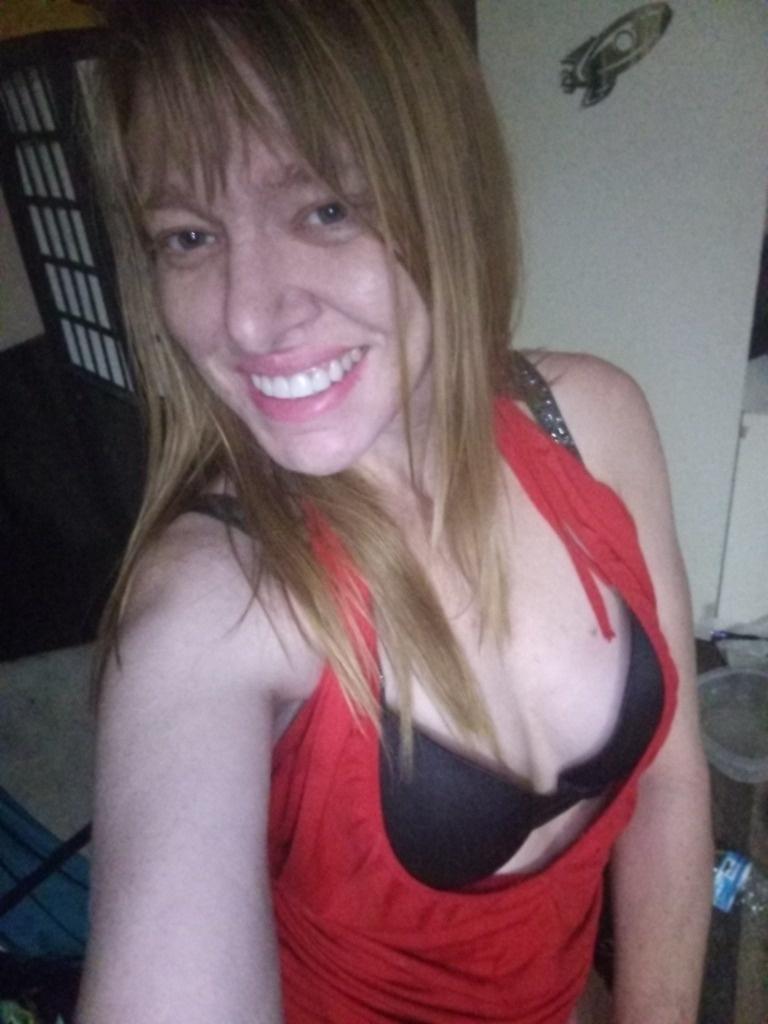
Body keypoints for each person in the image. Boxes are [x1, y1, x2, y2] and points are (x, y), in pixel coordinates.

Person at [75, 1, 712, 1022]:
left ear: (446, 192)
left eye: (326, 210)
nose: (247, 315)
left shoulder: (592, 420)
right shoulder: (213, 605)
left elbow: (671, 781)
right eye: (189, 236)